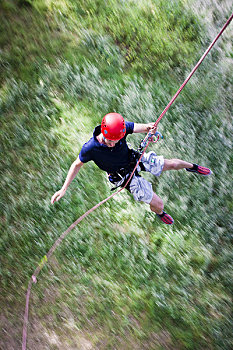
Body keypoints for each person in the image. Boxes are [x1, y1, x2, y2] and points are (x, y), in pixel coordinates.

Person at [51, 113, 212, 224]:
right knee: (158, 204)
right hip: (123, 177)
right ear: (103, 133)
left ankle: (193, 167)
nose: (114, 144)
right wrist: (64, 188)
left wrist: (149, 128)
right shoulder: (90, 148)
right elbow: (76, 164)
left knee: (173, 164)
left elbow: (140, 127)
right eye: (110, 141)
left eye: (116, 140)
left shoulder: (120, 128)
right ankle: (160, 214)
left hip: (134, 159)